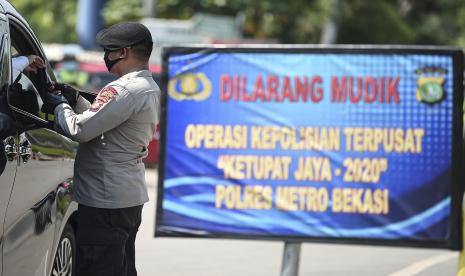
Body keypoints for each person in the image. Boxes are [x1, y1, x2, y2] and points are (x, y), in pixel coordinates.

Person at [42, 22, 160, 276]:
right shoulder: (148, 87)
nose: (106, 56)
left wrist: (59, 105)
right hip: (126, 196)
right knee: (122, 267)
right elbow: (108, 123)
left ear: (124, 52)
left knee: (99, 268)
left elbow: (79, 130)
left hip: (105, 200)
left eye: (109, 50)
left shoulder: (123, 89)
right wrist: (75, 99)